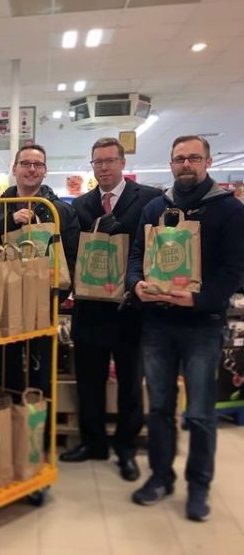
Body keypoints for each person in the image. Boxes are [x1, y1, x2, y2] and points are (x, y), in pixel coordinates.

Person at [127, 135, 244, 521]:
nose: (186, 164)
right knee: (159, 406)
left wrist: (200, 298)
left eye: (194, 157)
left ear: (209, 161)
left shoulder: (229, 211)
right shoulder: (155, 207)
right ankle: (161, 476)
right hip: (158, 322)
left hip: (202, 325)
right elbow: (137, 256)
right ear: (171, 163)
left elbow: (234, 270)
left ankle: (199, 487)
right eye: (179, 159)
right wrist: (135, 284)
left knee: (199, 412)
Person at [61, 137, 162, 482]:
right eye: (97, 162)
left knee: (131, 383)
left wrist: (127, 235)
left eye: (109, 161)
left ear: (122, 163)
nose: (103, 167)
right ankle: (94, 443)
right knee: (89, 380)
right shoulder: (81, 204)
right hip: (90, 307)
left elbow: (157, 246)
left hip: (130, 308)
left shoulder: (148, 198)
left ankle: (126, 448)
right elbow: (73, 250)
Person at [0, 144, 80, 396]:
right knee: (5, 369)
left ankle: (38, 427)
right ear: (14, 168)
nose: (31, 169)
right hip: (4, 302)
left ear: (45, 171)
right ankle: (11, 421)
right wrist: (8, 221)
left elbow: (72, 257)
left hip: (43, 302)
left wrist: (57, 296)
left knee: (40, 372)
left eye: (37, 164)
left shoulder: (60, 210)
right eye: (25, 163)